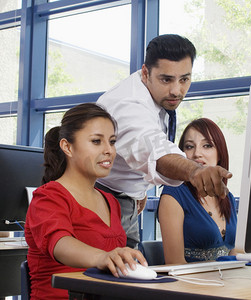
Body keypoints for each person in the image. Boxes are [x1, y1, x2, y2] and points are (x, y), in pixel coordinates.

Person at [96, 34, 232, 248]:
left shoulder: (158, 96)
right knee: (108, 278)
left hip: (127, 198)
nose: (176, 90)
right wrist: (195, 171)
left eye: (184, 79)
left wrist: (140, 189)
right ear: (145, 73)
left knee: (128, 273)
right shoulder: (128, 104)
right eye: (166, 79)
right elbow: (154, 149)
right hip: (101, 201)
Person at [24, 103, 147, 300]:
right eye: (97, 141)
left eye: (112, 141)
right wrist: (101, 257)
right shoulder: (48, 197)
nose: (109, 150)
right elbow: (60, 243)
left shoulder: (110, 201)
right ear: (67, 147)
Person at [158, 118, 237, 264]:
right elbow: (175, 264)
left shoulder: (228, 198)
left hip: (226, 281)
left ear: (220, 153)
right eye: (189, 147)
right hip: (190, 284)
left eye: (207, 146)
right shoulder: (173, 194)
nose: (197, 154)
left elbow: (235, 252)